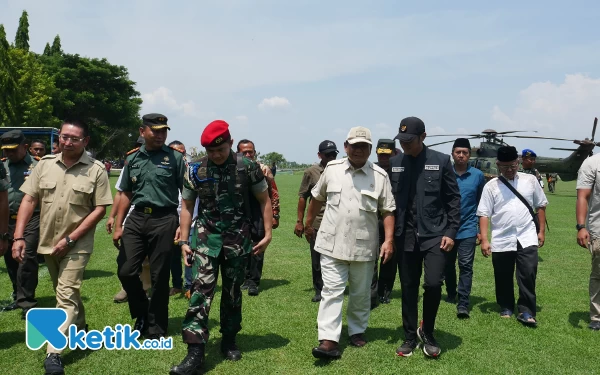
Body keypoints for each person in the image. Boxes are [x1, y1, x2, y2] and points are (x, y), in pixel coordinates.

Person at [170, 120, 272, 374]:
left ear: (229, 143)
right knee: (199, 293)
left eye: (221, 150)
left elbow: (264, 198)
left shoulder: (247, 167)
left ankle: (229, 339)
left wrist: (268, 233)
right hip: (206, 239)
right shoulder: (194, 170)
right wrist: (184, 240)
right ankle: (195, 352)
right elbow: (186, 206)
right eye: (210, 151)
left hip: (238, 239)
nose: (215, 155)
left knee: (233, 293)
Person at [14, 119, 112, 374]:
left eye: (74, 138)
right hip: (47, 241)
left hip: (77, 243)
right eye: (64, 137)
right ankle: (81, 331)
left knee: (66, 294)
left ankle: (54, 352)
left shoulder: (96, 170)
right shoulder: (44, 165)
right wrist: (18, 236)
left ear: (85, 141)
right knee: (63, 291)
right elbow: (29, 199)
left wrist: (71, 238)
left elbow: (100, 208)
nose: (67, 142)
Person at [305, 126, 396, 359]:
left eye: (363, 146)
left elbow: (387, 211)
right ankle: (328, 339)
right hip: (331, 243)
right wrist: (307, 223)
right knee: (332, 291)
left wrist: (388, 240)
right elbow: (316, 198)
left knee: (360, 292)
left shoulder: (379, 176)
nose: (358, 150)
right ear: (346, 147)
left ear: (370, 149)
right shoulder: (332, 170)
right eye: (354, 146)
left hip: (364, 245)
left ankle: (357, 330)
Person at [390, 116, 461, 358]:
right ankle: (410, 336)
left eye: (410, 141)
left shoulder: (441, 161)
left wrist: (451, 232)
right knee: (408, 287)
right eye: (402, 140)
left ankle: (427, 331)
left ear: (423, 137)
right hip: (405, 235)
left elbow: (453, 199)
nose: (405, 145)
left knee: (432, 284)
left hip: (435, 235)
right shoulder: (395, 162)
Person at [113, 113, 186, 340]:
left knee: (159, 276)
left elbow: (188, 195)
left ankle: (156, 326)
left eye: (164, 131)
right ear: (142, 131)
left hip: (165, 219)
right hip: (137, 218)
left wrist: (183, 225)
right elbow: (125, 192)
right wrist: (118, 224)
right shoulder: (132, 159)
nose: (160, 135)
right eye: (155, 131)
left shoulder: (175, 158)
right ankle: (142, 312)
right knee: (126, 270)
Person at [477, 146, 547, 328]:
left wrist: (541, 231)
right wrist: (484, 239)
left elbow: (541, 205)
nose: (510, 169)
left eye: (513, 165)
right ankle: (506, 305)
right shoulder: (491, 186)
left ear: (518, 163)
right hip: (502, 237)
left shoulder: (530, 180)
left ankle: (526, 310)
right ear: (498, 165)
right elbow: (484, 213)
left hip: (527, 235)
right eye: (505, 166)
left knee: (528, 273)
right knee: (503, 274)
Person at [443, 138, 485, 319]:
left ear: (470, 155)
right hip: (446, 229)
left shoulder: (477, 175)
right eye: (458, 152)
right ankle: (451, 292)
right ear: (452, 153)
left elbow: (481, 203)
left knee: (466, 265)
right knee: (447, 265)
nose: (461, 155)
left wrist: (479, 230)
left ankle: (463, 303)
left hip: (468, 227)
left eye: (465, 152)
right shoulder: (444, 172)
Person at [106, 136, 152, 303]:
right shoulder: (129, 164)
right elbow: (121, 193)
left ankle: (146, 288)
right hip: (129, 218)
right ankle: (127, 287)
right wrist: (113, 216)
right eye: (139, 146)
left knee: (147, 259)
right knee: (126, 258)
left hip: (151, 217)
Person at [0, 130, 40, 319]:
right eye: (5, 151)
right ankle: (18, 296)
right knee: (9, 258)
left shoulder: (38, 166)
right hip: (7, 219)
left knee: (25, 257)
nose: (8, 154)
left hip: (31, 219)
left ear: (25, 147)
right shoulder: (2, 167)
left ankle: (27, 302)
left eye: (13, 150)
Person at [294, 140, 339, 302]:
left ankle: (334, 286)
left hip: (339, 222)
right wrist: (300, 222)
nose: (332, 157)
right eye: (328, 155)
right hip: (318, 222)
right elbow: (302, 197)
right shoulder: (311, 172)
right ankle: (319, 289)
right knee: (317, 259)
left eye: (334, 154)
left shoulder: (342, 170)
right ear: (320, 155)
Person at [237, 139, 280, 296]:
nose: (248, 154)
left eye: (251, 151)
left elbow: (273, 193)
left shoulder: (263, 169)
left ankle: (254, 281)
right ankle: (245, 278)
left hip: (260, 212)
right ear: (238, 153)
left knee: (258, 245)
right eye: (244, 152)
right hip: (240, 213)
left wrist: (275, 214)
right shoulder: (234, 168)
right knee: (242, 247)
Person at [371, 138, 399, 306]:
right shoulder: (371, 170)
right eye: (381, 154)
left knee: (389, 258)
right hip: (373, 219)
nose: (383, 158)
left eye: (387, 155)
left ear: (394, 153)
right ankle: (372, 291)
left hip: (392, 220)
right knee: (372, 257)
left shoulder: (399, 171)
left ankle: (385, 292)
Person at [576, 153, 600, 330]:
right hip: (599, 228)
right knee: (599, 274)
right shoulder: (592, 163)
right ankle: (597, 317)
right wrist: (581, 226)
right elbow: (582, 196)